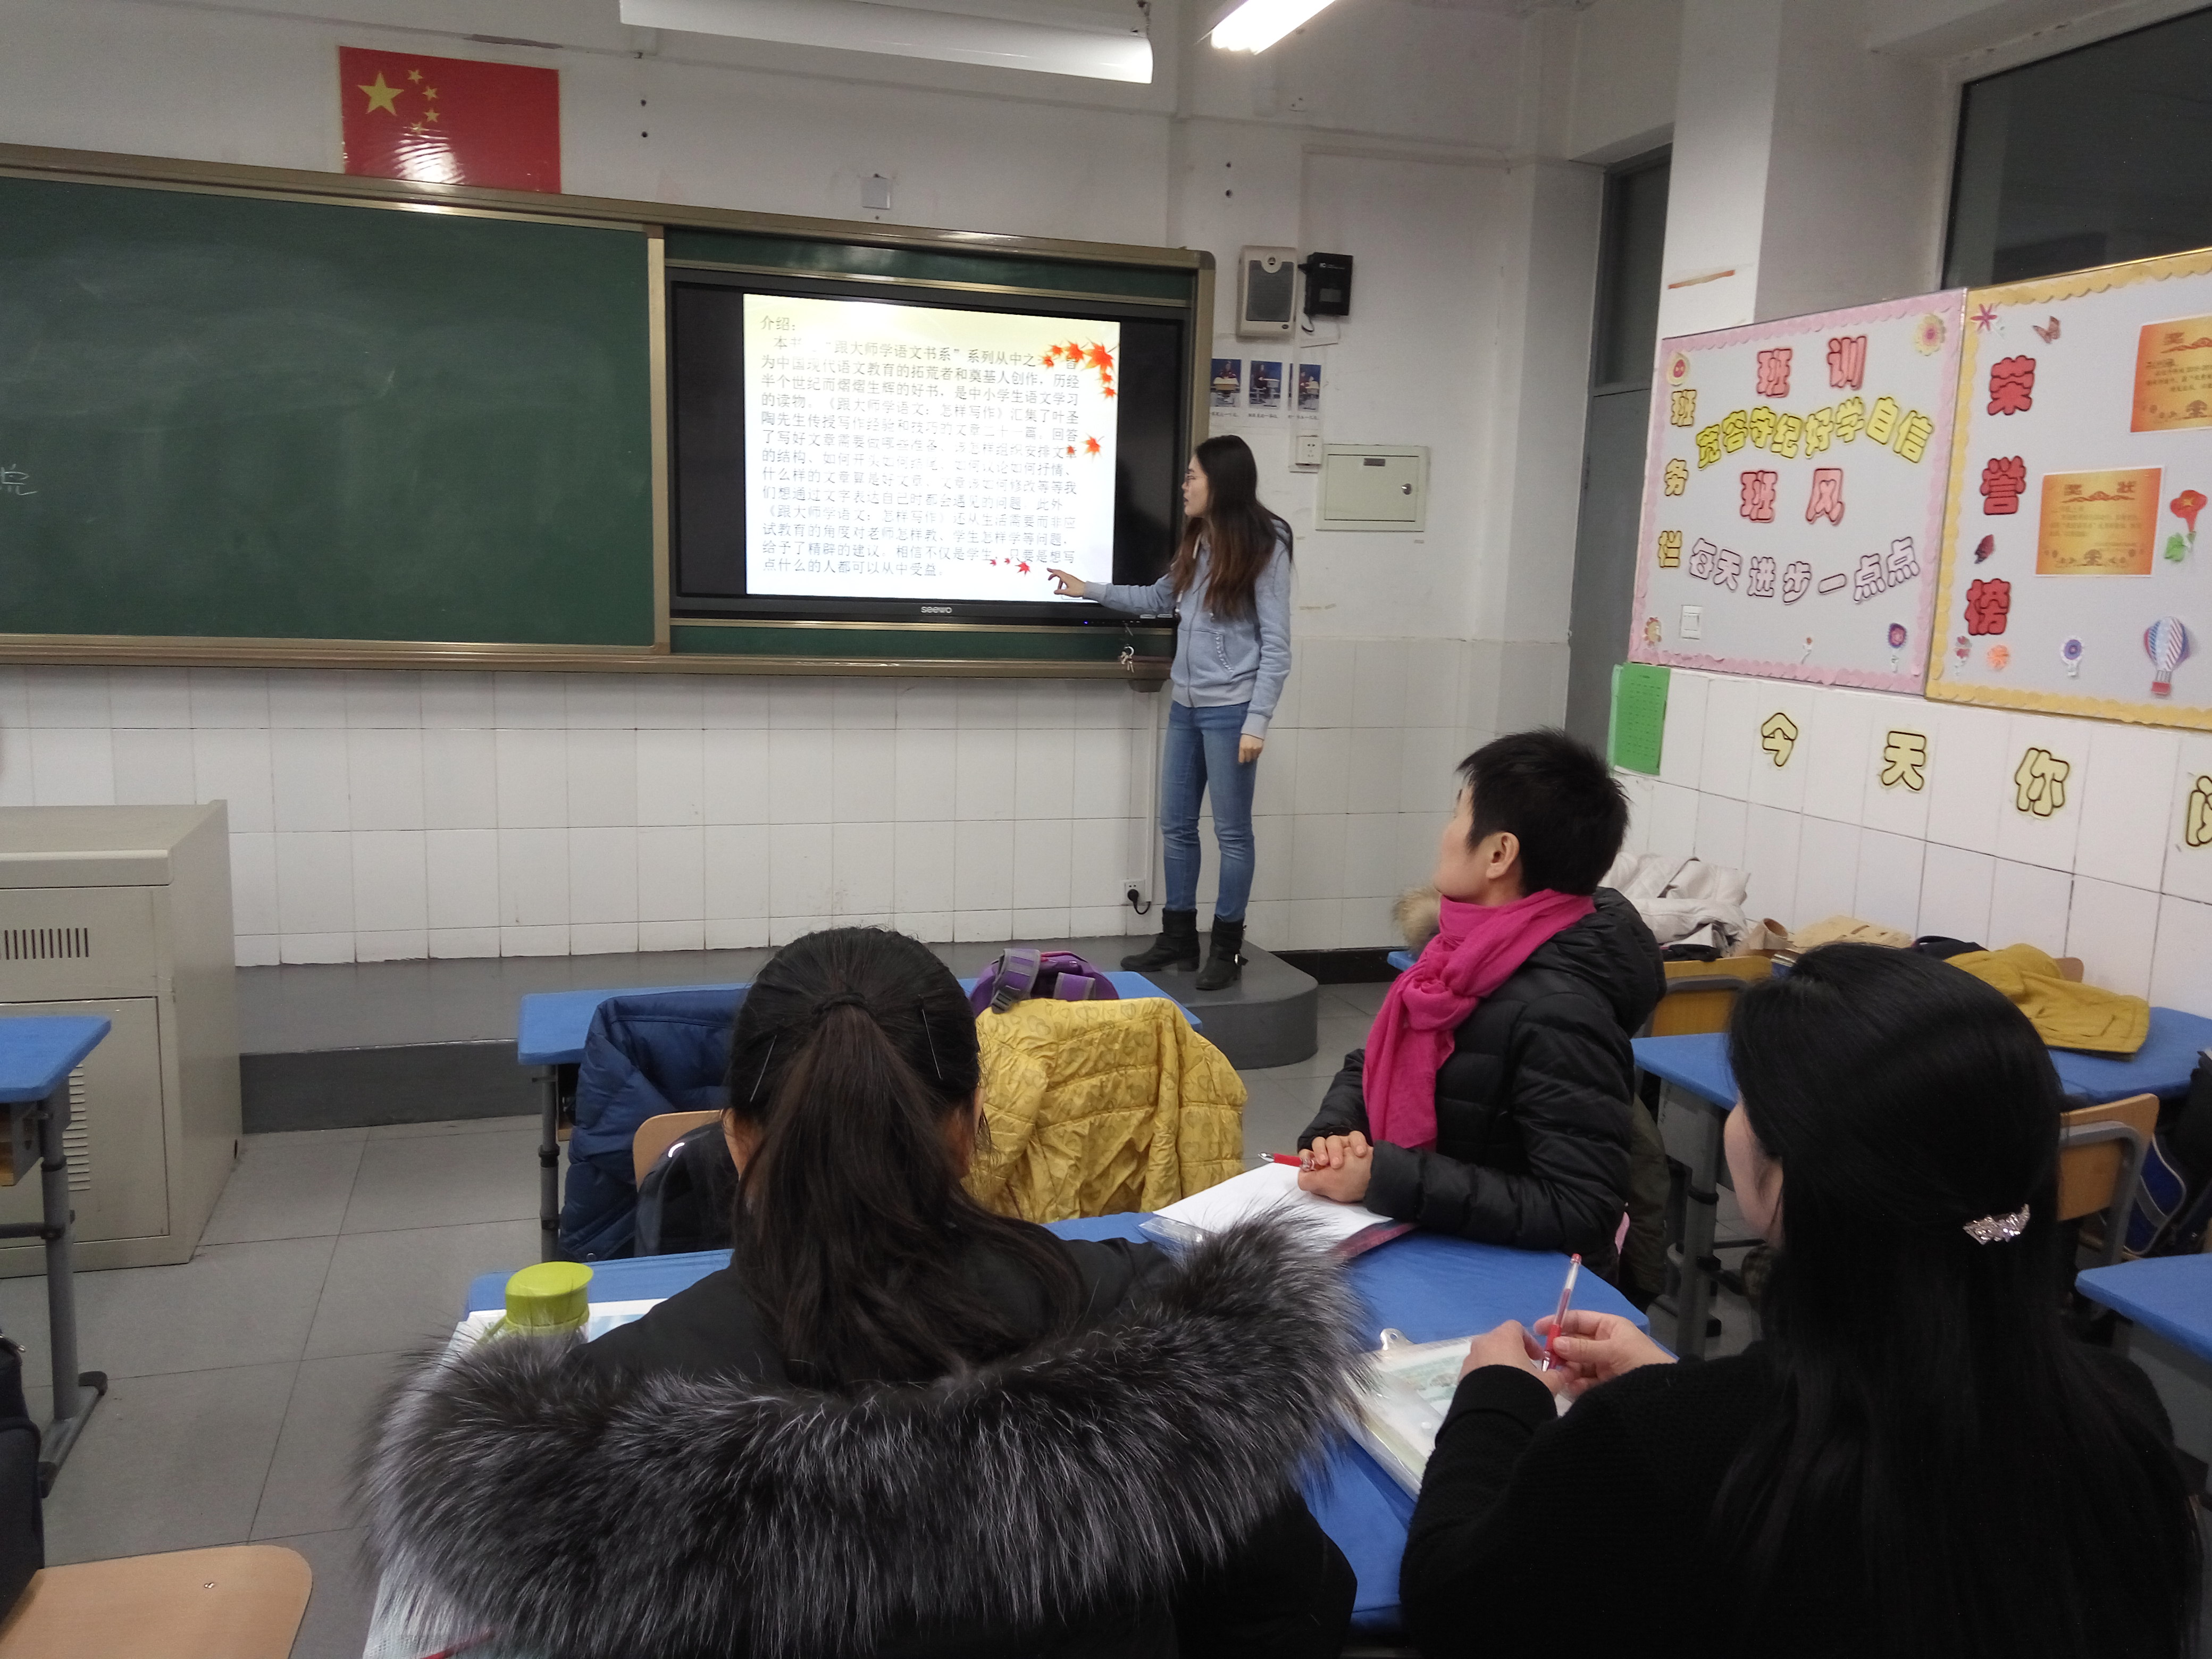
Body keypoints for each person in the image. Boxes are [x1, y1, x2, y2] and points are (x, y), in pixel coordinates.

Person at [366, 926, 1362, 1659]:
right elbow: (1293, 1607)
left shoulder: (598, 1424)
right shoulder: (1152, 1337)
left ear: (735, 1141)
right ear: (972, 1124)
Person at [1399, 944, 2203, 1659]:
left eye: (1747, 1098)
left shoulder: (1652, 1446)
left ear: (1796, 1174)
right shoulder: (2122, 1412)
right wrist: (1677, 1387)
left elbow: (1452, 1605)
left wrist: (1494, 1401)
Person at [1295, 730, 1665, 1277]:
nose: (1445, 834)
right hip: (1439, 1244)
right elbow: (1374, 1062)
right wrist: (1335, 1132)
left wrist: (1387, 1178)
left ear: (1498, 854)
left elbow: (1580, 1208)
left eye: (1457, 816)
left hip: (1515, 1289)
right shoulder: (1457, 955)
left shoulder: (1561, 1011)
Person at [1048, 434, 1292, 991]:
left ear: (1220, 482)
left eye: (1192, 476)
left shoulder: (1266, 544)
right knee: (1176, 826)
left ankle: (1226, 949)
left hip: (1232, 711)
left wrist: (1257, 722)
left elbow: (1277, 646)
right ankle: (1178, 937)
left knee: (1232, 833)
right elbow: (1159, 598)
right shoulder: (1199, 538)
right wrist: (1089, 589)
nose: (1184, 486)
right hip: (1185, 704)